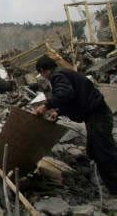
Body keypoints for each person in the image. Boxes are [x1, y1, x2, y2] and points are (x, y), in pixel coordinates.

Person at [35, 55, 117, 195]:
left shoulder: (58, 75)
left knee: (104, 152)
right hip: (96, 116)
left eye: (41, 73)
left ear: (43, 70)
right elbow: (72, 97)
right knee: (95, 151)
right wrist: (59, 111)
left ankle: (115, 187)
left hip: (97, 116)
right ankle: (110, 184)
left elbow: (66, 93)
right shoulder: (63, 73)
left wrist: (46, 105)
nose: (43, 77)